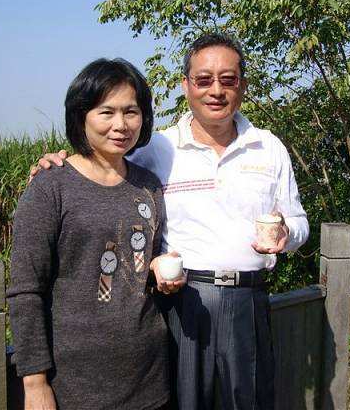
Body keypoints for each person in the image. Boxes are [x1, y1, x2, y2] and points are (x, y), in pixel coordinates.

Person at [33, 33, 309, 410]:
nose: (216, 90)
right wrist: (58, 164)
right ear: (186, 85)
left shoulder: (268, 146)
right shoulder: (158, 147)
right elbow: (103, 167)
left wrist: (286, 232)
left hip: (249, 299)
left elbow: (299, 221)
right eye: (203, 80)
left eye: (228, 80)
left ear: (242, 85)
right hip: (182, 300)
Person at [8, 58, 184, 410]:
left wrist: (160, 273)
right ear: (81, 116)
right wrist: (35, 382)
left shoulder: (148, 185)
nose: (121, 125)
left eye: (131, 112)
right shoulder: (51, 186)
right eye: (106, 112)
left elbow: (139, 266)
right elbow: (26, 290)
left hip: (150, 379)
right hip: (75, 385)